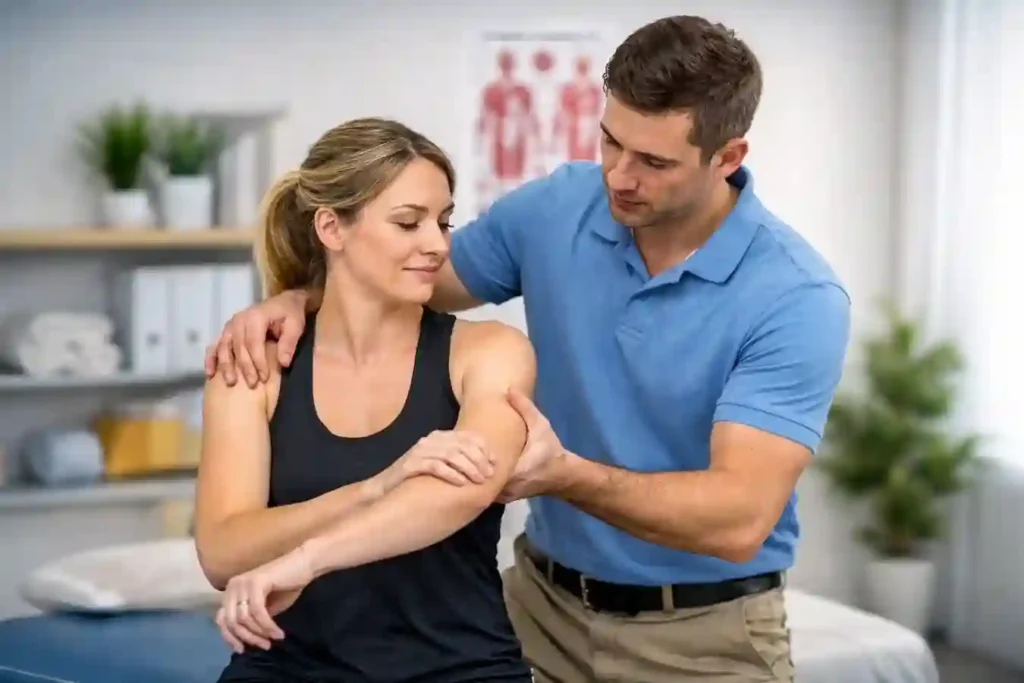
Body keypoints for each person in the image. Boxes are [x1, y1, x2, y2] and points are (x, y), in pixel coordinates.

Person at [206, 15, 851, 683]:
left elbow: (737, 518)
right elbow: (419, 276)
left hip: (704, 637)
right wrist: (300, 296)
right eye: (610, 141)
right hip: (540, 613)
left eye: (654, 162)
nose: (619, 176)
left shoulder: (794, 295)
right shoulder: (561, 206)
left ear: (728, 157)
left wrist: (564, 472)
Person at [194, 117, 538, 683]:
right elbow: (223, 552)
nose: (437, 244)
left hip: (460, 671)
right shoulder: (256, 365)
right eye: (408, 223)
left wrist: (305, 559)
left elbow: (460, 490)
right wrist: (375, 488)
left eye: (444, 222)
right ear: (331, 227)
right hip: (287, 671)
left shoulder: (488, 353)